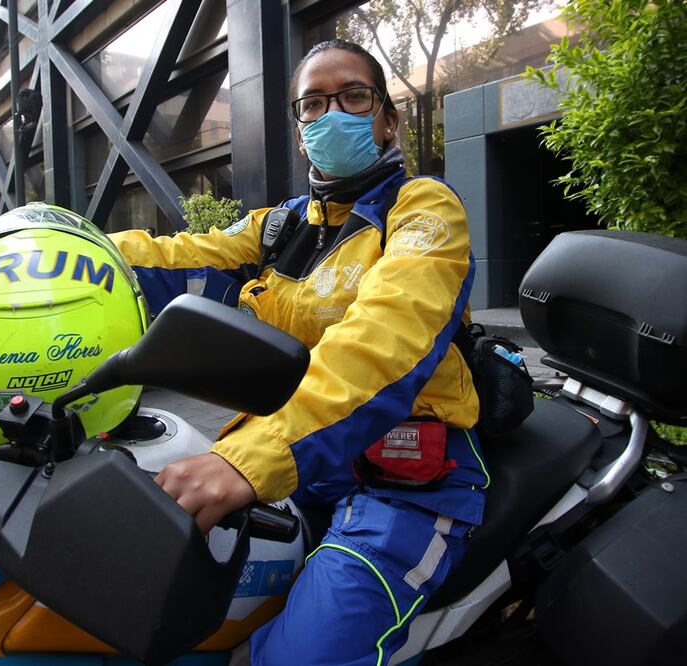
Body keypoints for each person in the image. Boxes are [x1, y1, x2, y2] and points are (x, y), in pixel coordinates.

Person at [108, 39, 488, 666]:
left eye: (353, 96)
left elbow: (387, 338)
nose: (331, 112)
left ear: (386, 118)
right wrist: (39, 246)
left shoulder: (423, 209)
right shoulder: (279, 226)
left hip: (404, 479)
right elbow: (169, 258)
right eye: (313, 103)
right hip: (300, 469)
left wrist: (251, 458)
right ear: (300, 125)